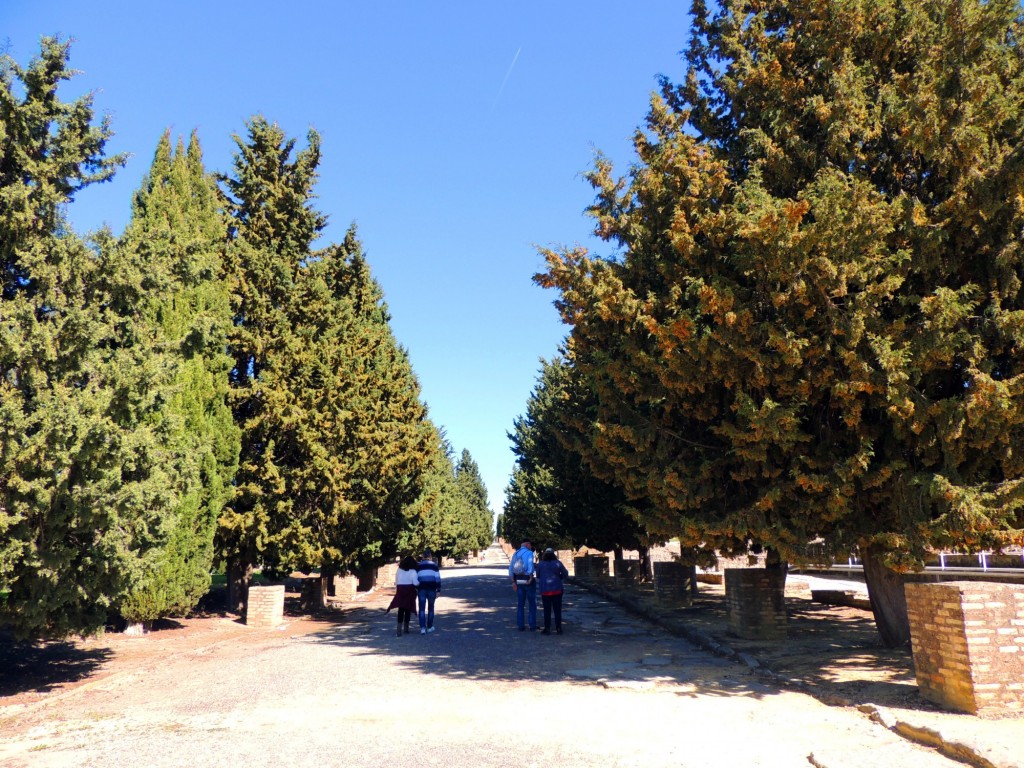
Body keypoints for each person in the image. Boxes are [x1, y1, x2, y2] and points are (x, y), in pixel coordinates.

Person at [535, 547, 569, 635]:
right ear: (554, 554)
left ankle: (547, 628)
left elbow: (537, 575)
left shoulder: (541, 564)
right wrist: (558, 577)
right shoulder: (558, 563)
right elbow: (566, 574)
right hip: (557, 589)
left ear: (545, 555)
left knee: (547, 610)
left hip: (545, 590)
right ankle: (558, 628)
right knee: (557, 610)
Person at [385, 556, 419, 636]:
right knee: (408, 609)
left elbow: (396, 581)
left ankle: (399, 629)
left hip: (400, 590)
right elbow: (415, 583)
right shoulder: (413, 571)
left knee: (401, 609)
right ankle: (406, 628)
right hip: (409, 590)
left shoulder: (399, 570)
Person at [508, 539, 537, 631]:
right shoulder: (529, 553)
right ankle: (532, 625)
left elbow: (511, 568)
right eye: (530, 545)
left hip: (518, 580)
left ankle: (521, 625)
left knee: (521, 604)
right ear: (528, 544)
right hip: (527, 580)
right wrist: (531, 578)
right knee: (532, 603)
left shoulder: (515, 554)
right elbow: (530, 567)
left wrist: (513, 582)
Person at [416, 548, 441, 634]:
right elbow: (437, 579)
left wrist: (416, 589)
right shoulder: (434, 565)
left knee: (421, 609)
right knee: (431, 608)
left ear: (423, 556)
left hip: (421, 589)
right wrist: (438, 590)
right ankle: (429, 626)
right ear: (430, 556)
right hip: (431, 589)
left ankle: (423, 628)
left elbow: (416, 578)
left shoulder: (418, 566)